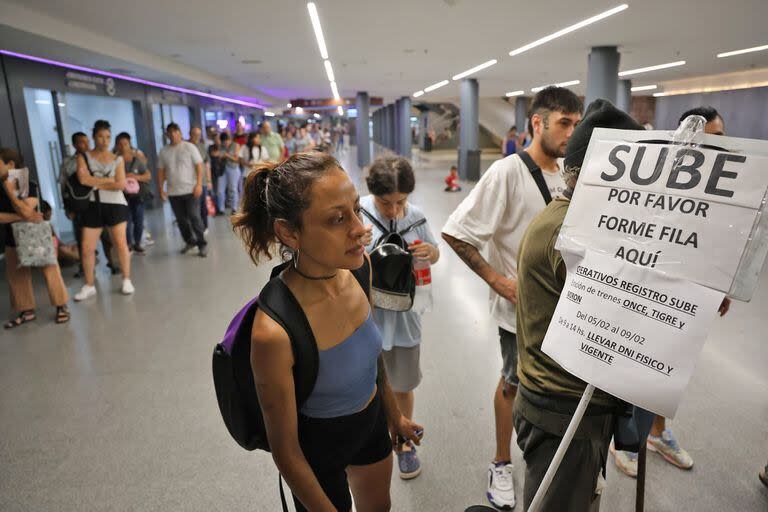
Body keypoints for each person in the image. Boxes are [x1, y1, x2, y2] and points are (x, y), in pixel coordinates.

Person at [232, 152, 422, 512]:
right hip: (317, 451)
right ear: (289, 231)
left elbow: (370, 356)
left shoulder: (359, 268)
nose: (359, 228)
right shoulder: (274, 331)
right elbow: (287, 453)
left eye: (355, 209)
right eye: (337, 219)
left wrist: (393, 415)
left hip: (371, 425)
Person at [442, 86, 583, 510]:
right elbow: (457, 232)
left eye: (576, 125)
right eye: (564, 123)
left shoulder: (569, 173)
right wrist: (497, 280)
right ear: (536, 123)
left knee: (556, 390)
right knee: (513, 384)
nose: (571, 133)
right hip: (519, 315)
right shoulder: (507, 172)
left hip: (565, 310)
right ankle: (502, 461)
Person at [610, 105, 727, 478]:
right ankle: (626, 439)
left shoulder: (725, 182)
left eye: (722, 136)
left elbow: (720, 238)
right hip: (648, 290)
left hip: (690, 292)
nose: (719, 144)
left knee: (668, 365)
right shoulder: (660, 176)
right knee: (638, 364)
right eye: (712, 136)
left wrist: (721, 287)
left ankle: (657, 434)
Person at [360, 156, 439, 480]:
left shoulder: (416, 217)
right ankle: (373, 438)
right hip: (366, 319)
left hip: (406, 319)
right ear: (372, 196)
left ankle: (405, 441)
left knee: (403, 384)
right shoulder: (359, 213)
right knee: (366, 386)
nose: (393, 210)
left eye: (400, 202)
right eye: (385, 202)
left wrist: (429, 254)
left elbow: (434, 252)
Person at [0, 148, 70, 326]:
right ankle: (26, 311)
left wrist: (10, 192)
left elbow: (26, 209)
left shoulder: (28, 183)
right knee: (16, 275)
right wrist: (21, 216)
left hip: (35, 236)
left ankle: (61, 306)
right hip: (11, 238)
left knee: (50, 269)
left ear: (10, 165)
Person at [72, 120, 134, 300]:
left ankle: (126, 279)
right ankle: (89, 284)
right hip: (92, 206)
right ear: (93, 136)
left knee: (120, 243)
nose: (104, 141)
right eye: (100, 136)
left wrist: (96, 181)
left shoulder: (117, 159)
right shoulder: (83, 157)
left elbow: (121, 184)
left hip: (115, 205)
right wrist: (109, 180)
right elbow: (83, 180)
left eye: (107, 137)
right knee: (86, 247)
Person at [60, 132, 118, 276]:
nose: (86, 145)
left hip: (99, 202)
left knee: (106, 236)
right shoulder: (68, 163)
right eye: (81, 142)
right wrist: (67, 207)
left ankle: (112, 263)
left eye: (87, 141)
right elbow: (63, 185)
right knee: (82, 238)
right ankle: (86, 269)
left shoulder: (96, 158)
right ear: (74, 144)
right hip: (80, 205)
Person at [157, 122, 207, 257]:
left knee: (194, 216)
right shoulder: (164, 151)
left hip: (191, 190)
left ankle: (202, 243)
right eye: (170, 132)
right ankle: (190, 241)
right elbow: (161, 172)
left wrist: (198, 184)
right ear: (167, 134)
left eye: (175, 131)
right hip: (174, 192)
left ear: (180, 132)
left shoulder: (189, 147)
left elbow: (199, 166)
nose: (173, 134)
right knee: (181, 220)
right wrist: (161, 189)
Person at [114, 132, 152, 254]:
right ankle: (128, 244)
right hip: (122, 196)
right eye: (120, 144)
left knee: (139, 220)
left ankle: (137, 243)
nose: (123, 146)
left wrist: (134, 177)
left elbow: (147, 175)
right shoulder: (114, 160)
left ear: (129, 144)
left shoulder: (137, 160)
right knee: (127, 221)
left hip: (138, 195)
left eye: (125, 143)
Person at [189, 126, 213, 232]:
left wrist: (209, 180)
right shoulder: (186, 146)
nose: (196, 137)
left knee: (203, 205)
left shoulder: (202, 147)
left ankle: (205, 226)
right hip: (189, 182)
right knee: (193, 208)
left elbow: (207, 164)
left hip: (202, 181)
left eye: (198, 135)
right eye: (194, 134)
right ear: (190, 134)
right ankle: (195, 228)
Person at [216, 132, 242, 215]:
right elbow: (218, 156)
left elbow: (237, 159)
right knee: (220, 190)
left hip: (233, 168)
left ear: (230, 139)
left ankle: (234, 208)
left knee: (233, 189)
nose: (226, 143)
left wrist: (227, 156)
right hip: (222, 169)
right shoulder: (220, 146)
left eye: (227, 140)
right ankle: (221, 209)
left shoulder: (235, 145)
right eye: (223, 141)